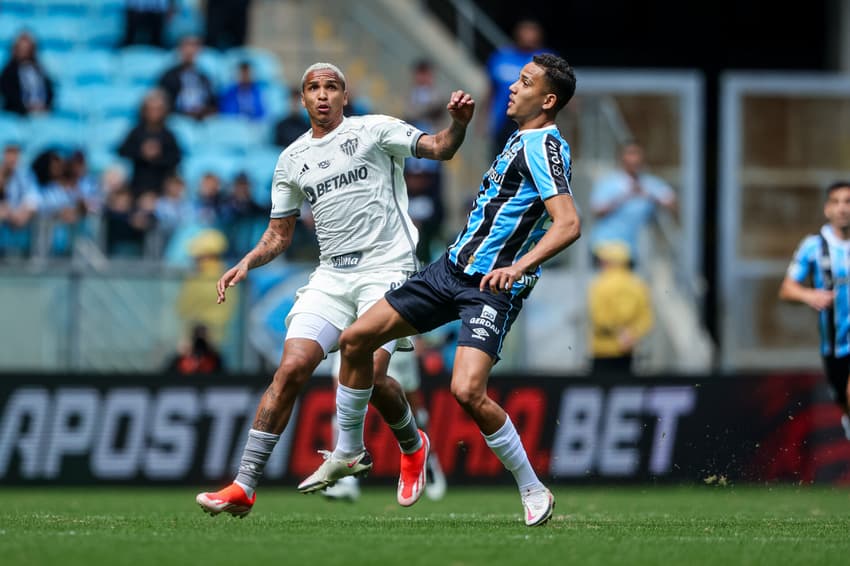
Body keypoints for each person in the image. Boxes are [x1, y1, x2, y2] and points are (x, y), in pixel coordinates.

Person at [305, 53, 578, 527]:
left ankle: (534, 489)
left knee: (467, 391)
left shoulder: (544, 146)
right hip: (448, 271)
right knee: (353, 341)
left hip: (489, 288)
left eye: (526, 82)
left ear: (548, 99)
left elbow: (568, 223)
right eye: (517, 78)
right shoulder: (519, 138)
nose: (513, 87)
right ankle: (350, 453)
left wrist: (517, 268)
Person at [195, 61, 474, 518]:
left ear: (345, 96)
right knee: (292, 368)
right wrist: (246, 260)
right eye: (313, 88)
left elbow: (440, 148)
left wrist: (458, 126)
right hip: (332, 275)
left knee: (361, 354)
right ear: (303, 99)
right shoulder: (291, 159)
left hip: (387, 268)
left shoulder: (374, 130)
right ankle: (244, 486)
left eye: (331, 87)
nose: (322, 94)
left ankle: (352, 452)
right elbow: (279, 235)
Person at [780, 181, 850, 440]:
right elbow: (786, 289)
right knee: (844, 400)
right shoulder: (814, 246)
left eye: (848, 202)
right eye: (837, 202)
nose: (843, 208)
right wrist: (810, 295)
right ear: (827, 209)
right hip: (833, 345)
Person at [590, 141, 677, 264]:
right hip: (607, 247)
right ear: (622, 158)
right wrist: (625, 196)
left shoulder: (649, 184)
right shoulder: (608, 183)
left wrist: (649, 196)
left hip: (634, 249)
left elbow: (672, 203)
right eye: (630, 154)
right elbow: (597, 211)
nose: (634, 159)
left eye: (637, 154)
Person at [588, 241, 654, 375]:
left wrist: (618, 332)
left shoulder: (600, 284)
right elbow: (646, 318)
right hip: (627, 349)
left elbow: (599, 318)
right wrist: (632, 334)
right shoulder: (638, 284)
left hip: (603, 348)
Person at [484, 20, 547, 156]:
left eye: (532, 31)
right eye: (525, 31)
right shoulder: (501, 56)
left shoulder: (546, 59)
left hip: (534, 123)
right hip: (503, 121)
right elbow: (490, 90)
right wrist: (483, 119)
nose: (528, 36)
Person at [118, 89, 182, 197]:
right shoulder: (136, 132)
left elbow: (175, 157)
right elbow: (122, 151)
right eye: (151, 109)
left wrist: (158, 155)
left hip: (161, 185)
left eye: (158, 109)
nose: (154, 113)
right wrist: (142, 152)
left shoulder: (168, 135)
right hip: (137, 183)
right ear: (144, 110)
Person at [157, 35, 218, 120]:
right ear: (179, 49)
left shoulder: (204, 77)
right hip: (177, 120)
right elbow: (162, 103)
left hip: (202, 120)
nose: (190, 50)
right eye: (187, 45)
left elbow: (213, 103)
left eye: (194, 46)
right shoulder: (168, 76)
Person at [0, 32, 54, 116]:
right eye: (21, 48)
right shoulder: (9, 71)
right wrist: (25, 107)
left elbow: (49, 91)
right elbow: (8, 94)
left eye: (27, 49)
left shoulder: (39, 69)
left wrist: (44, 106)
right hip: (17, 114)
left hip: (40, 113)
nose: (24, 51)